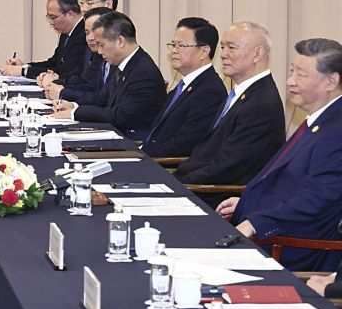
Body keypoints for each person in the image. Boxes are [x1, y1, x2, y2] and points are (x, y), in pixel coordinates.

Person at [218, 38, 342, 272]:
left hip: (292, 248)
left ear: (331, 81)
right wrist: (246, 203)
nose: (290, 82)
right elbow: (289, 183)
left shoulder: (336, 130)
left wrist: (256, 222)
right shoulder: (319, 120)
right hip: (271, 230)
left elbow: (316, 200)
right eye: (292, 72)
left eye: (301, 75)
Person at [175, 22, 285, 185]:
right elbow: (209, 152)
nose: (223, 54)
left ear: (257, 54)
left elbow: (227, 168)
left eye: (231, 48)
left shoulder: (260, 105)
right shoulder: (242, 93)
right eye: (223, 47)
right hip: (197, 180)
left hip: (216, 195)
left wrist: (177, 184)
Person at [52, 11, 167, 138]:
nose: (99, 51)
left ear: (120, 41)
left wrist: (75, 113)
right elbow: (102, 98)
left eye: (102, 45)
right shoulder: (123, 64)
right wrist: (73, 105)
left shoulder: (143, 73)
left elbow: (120, 116)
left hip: (133, 142)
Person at [140, 17, 227, 157]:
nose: (174, 50)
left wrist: (141, 154)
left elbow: (186, 144)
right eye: (173, 45)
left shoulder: (210, 91)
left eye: (181, 45)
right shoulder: (184, 85)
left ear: (204, 51)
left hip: (167, 166)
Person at [41, 0, 119, 99]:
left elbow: (103, 97)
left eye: (89, 3)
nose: (83, 9)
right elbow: (86, 82)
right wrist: (59, 82)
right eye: (81, 3)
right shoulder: (92, 41)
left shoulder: (116, 46)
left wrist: (61, 89)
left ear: (108, 4)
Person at [0, 0, 87, 86]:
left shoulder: (84, 34)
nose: (51, 23)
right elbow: (53, 63)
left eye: (53, 17)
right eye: (48, 17)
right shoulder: (66, 33)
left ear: (70, 13)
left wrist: (24, 71)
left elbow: (63, 71)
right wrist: (25, 66)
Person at [44, 6, 112, 102]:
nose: (90, 38)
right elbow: (87, 84)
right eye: (87, 32)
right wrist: (55, 84)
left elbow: (101, 98)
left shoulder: (116, 62)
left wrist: (62, 93)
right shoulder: (98, 56)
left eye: (95, 31)